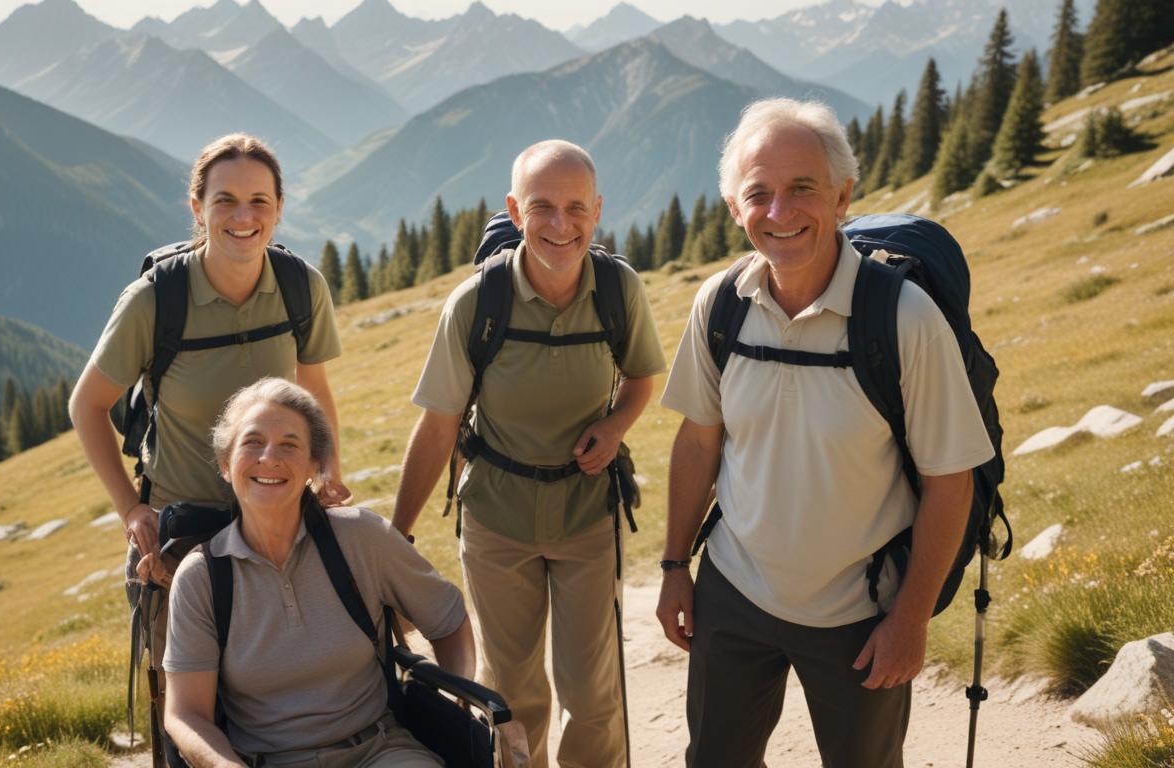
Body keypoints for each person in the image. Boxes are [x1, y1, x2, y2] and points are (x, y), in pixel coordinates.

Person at [654, 97, 995, 767]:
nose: (779, 211)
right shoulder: (719, 304)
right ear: (735, 208)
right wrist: (673, 567)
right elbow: (698, 442)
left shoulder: (904, 319)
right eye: (759, 193)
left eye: (803, 188)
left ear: (842, 196)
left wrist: (911, 618)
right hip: (734, 591)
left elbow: (949, 483)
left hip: (860, 612)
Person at [67, 133, 348, 753]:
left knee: (282, 707)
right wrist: (130, 509)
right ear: (197, 208)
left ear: (279, 207)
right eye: (225, 200)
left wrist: (327, 469)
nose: (244, 216)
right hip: (181, 538)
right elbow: (86, 405)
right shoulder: (156, 300)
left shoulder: (301, 287)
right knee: (191, 723)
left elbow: (315, 390)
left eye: (259, 201)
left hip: (277, 527)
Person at [391, 139, 666, 767]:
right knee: (513, 692)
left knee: (592, 692)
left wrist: (616, 426)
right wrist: (397, 537)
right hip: (497, 517)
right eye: (542, 207)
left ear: (597, 211)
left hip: (588, 513)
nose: (560, 224)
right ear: (515, 211)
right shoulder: (476, 303)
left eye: (576, 208)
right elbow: (437, 427)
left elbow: (640, 378)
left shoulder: (618, 290)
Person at [164, 377, 475, 768]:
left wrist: (459, 698)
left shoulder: (362, 537)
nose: (269, 457)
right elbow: (186, 714)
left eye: (290, 445)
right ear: (226, 464)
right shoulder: (200, 579)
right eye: (252, 442)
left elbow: (448, 619)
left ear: (315, 465)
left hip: (381, 751)